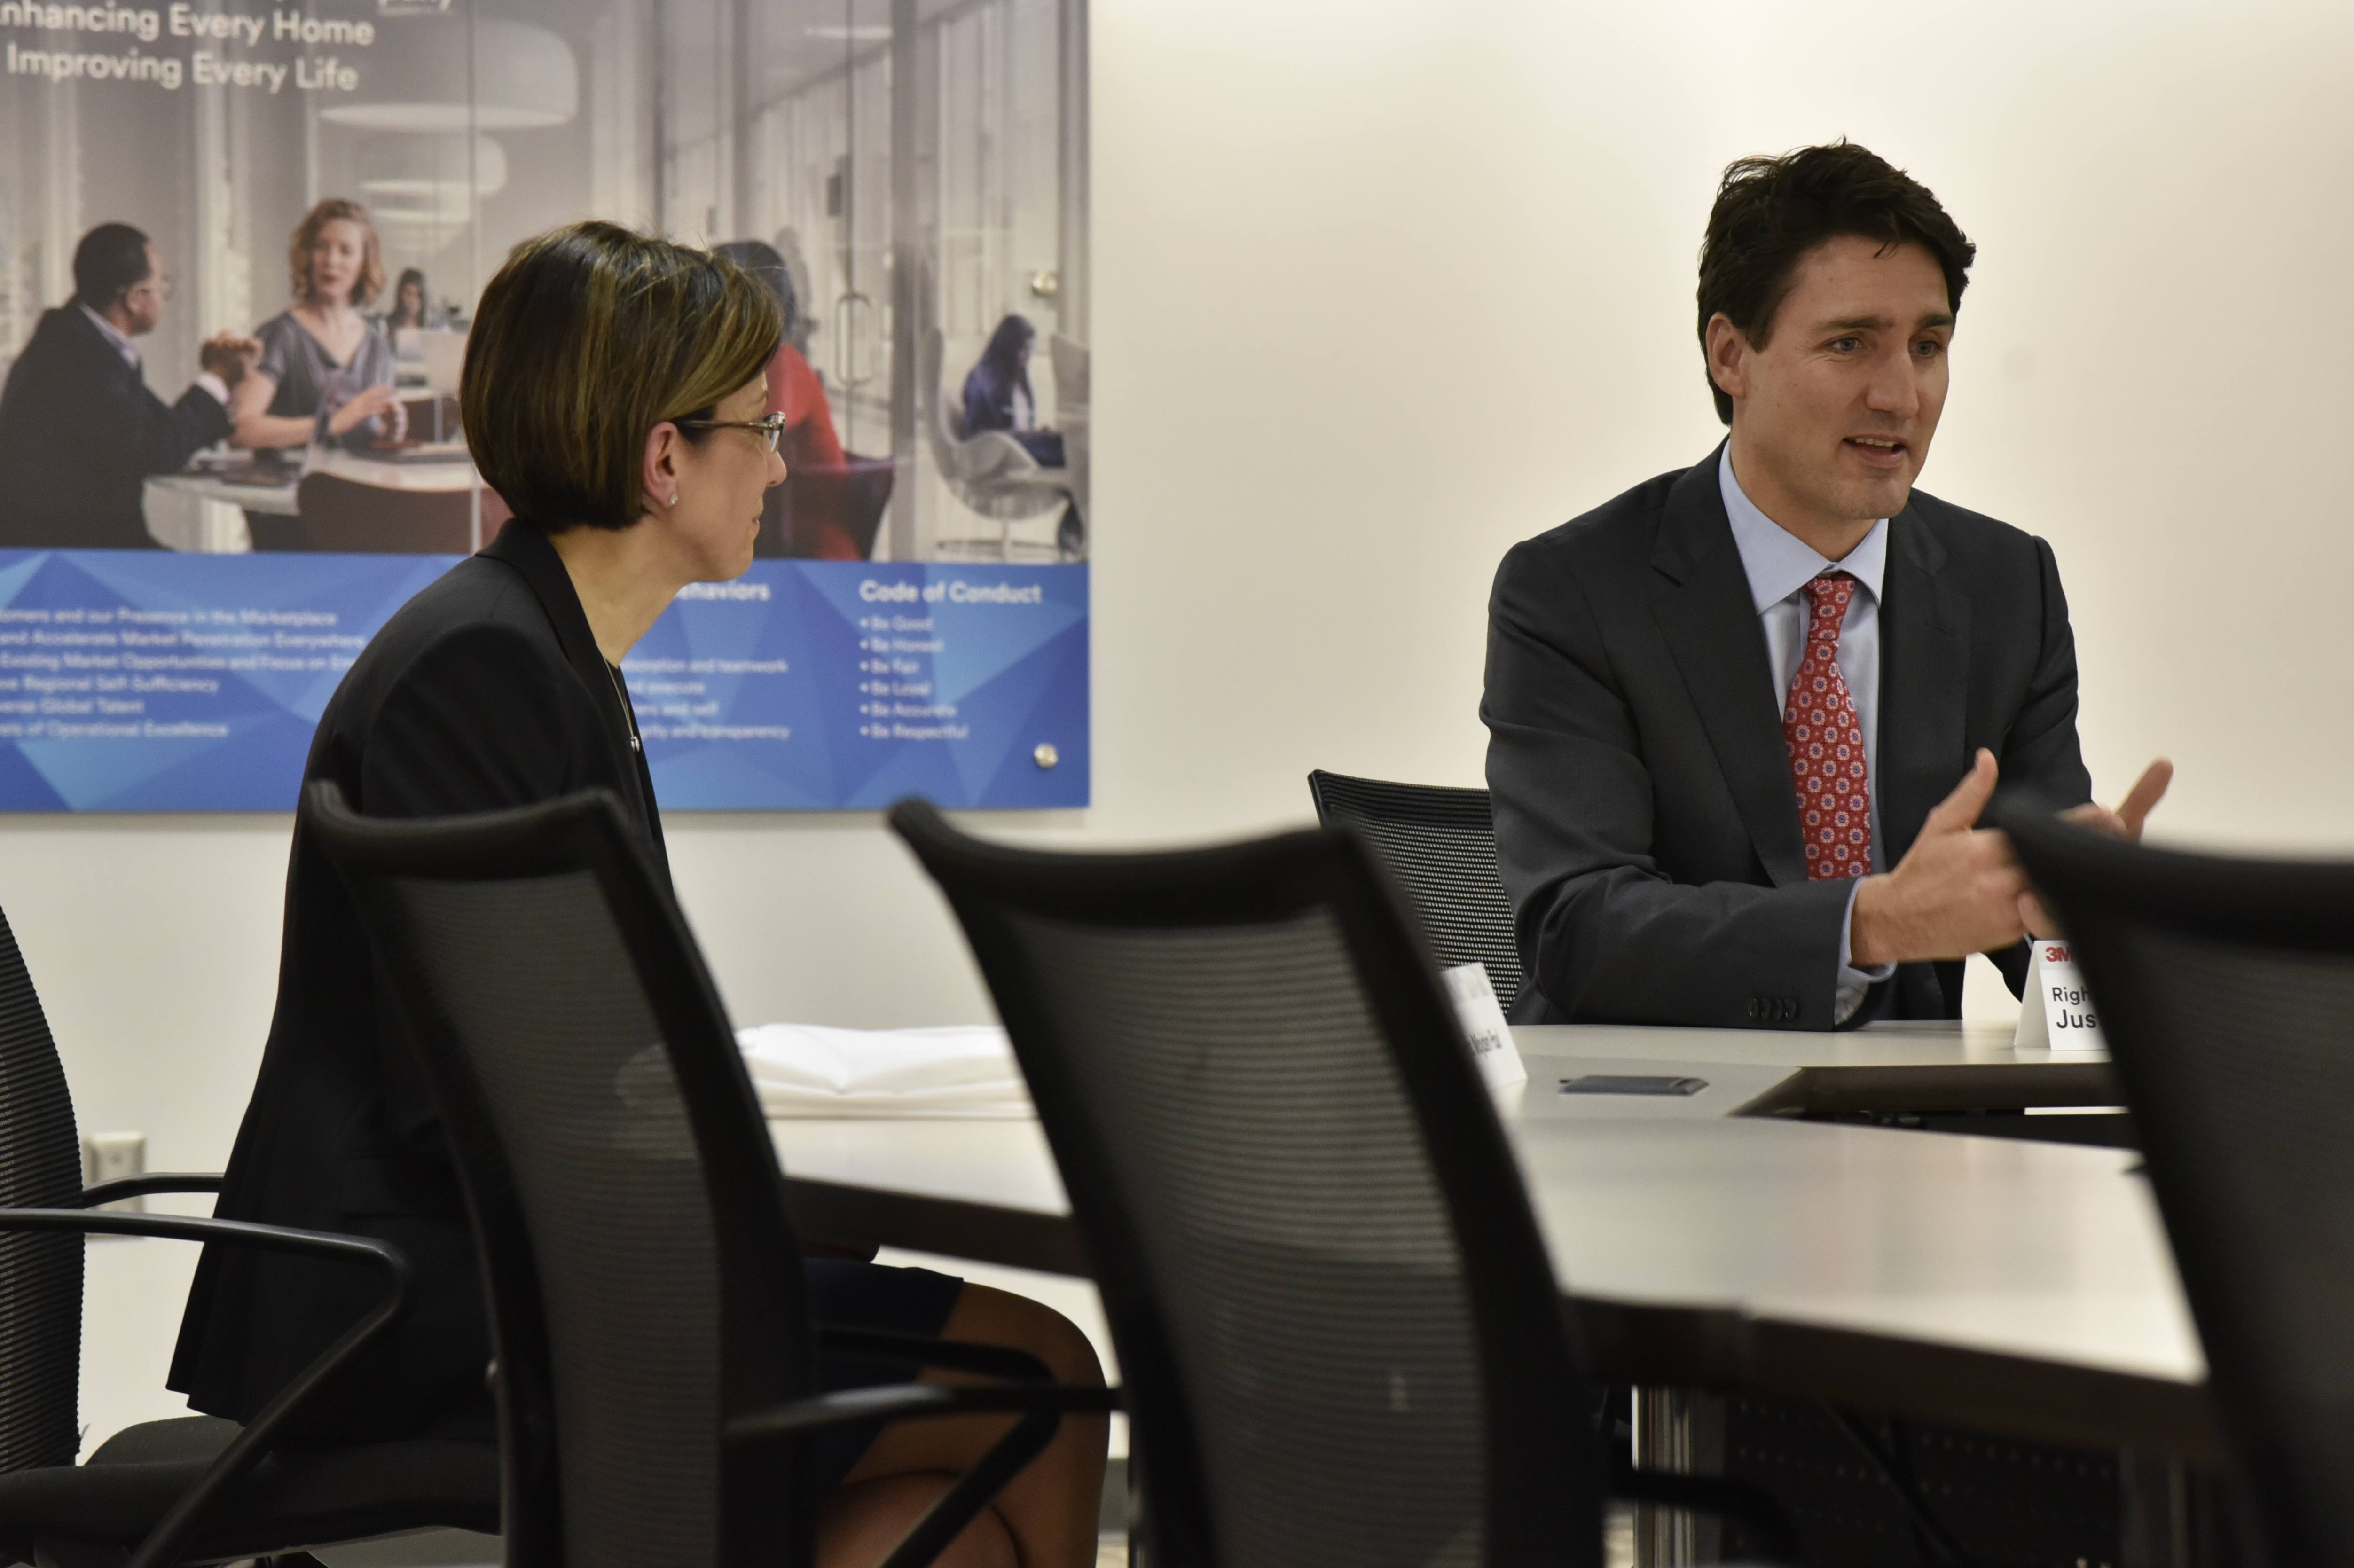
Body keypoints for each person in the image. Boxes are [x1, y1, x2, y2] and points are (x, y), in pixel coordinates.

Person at [168, 222, 1107, 1568]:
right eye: (760, 428)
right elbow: (501, 1102)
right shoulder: (483, 671)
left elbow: (577, 1059)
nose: (782, 464)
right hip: (446, 1313)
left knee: (934, 1524)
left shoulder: (545, 650)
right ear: (665, 458)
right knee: (1042, 1378)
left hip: (517, 1274)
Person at [1482, 142, 2171, 1029]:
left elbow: (2020, 916)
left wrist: (2080, 911)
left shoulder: (2007, 584)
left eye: (1927, 347)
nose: (1899, 396)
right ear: (1731, 356)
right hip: (1655, 1116)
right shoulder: (1572, 589)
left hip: (1922, 1127)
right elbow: (1579, 926)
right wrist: (1866, 925)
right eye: (1849, 344)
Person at [0, 223, 259, 551]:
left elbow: (161, 429)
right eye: (161, 284)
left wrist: (221, 378)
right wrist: (217, 376)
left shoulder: (77, 339)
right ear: (136, 299)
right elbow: (160, 450)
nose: (164, 294)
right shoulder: (80, 359)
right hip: (74, 555)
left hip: (75, 543)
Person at [232, 198, 405, 455]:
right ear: (307, 255)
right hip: (292, 492)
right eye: (321, 247)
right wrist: (331, 424)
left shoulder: (378, 346)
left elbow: (367, 434)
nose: (332, 261)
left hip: (361, 490)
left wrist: (391, 431)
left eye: (346, 251)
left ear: (364, 264)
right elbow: (241, 429)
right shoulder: (281, 335)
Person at [959, 314, 1063, 468]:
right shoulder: (983, 377)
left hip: (1014, 444)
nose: (1027, 356)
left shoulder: (1016, 377)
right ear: (1009, 346)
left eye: (1031, 349)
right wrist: (1025, 436)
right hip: (996, 450)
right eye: (1024, 349)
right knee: (1063, 449)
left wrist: (1034, 434)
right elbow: (979, 434)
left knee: (1064, 442)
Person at [382, 267, 437, 334]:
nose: (412, 300)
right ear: (400, 294)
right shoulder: (385, 326)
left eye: (418, 295)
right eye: (409, 293)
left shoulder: (431, 329)